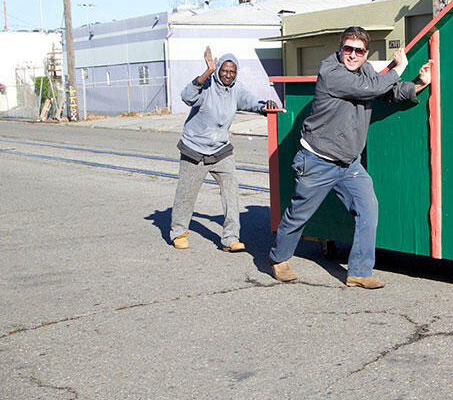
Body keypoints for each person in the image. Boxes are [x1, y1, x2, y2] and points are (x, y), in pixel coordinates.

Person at [268, 26, 432, 289]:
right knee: (299, 213)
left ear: (366, 53)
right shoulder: (330, 72)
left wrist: (420, 83)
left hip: (348, 163)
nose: (352, 55)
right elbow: (373, 87)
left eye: (359, 50)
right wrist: (398, 68)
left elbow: (384, 91)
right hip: (317, 160)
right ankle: (279, 258)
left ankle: (359, 271)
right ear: (340, 48)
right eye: (348, 48)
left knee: (368, 209)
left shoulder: (365, 72)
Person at [170, 46, 278, 252]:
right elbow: (187, 96)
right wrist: (207, 73)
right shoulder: (207, 86)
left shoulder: (236, 88)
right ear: (218, 70)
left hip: (220, 150)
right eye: (224, 70)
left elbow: (250, 101)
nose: (228, 75)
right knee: (186, 194)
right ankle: (179, 232)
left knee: (231, 193)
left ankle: (230, 238)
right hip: (195, 148)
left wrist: (265, 105)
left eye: (232, 71)